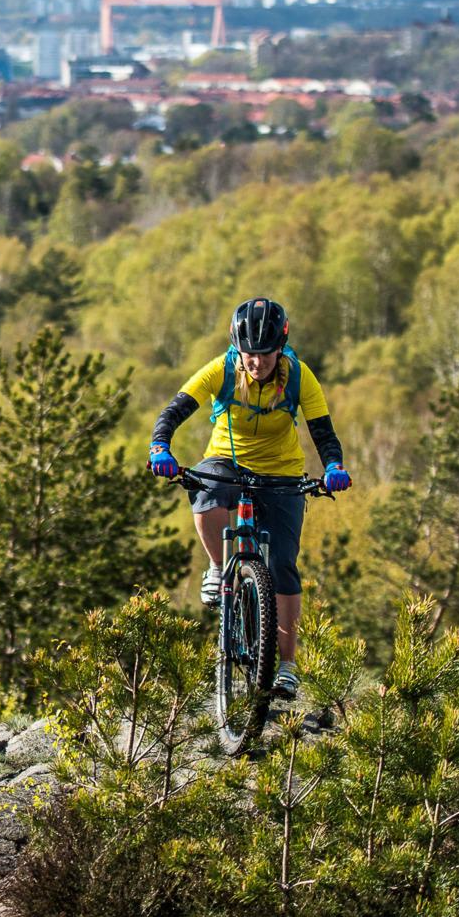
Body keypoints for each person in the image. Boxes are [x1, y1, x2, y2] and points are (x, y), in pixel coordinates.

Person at [145, 297, 350, 704]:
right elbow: (174, 411)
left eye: (266, 354)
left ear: (282, 345)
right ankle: (219, 566)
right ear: (238, 350)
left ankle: (287, 667)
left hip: (282, 469)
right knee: (204, 489)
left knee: (283, 568)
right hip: (227, 459)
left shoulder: (299, 375)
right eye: (249, 355)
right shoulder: (221, 369)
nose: (257, 363)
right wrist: (159, 449)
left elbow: (323, 432)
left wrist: (333, 467)